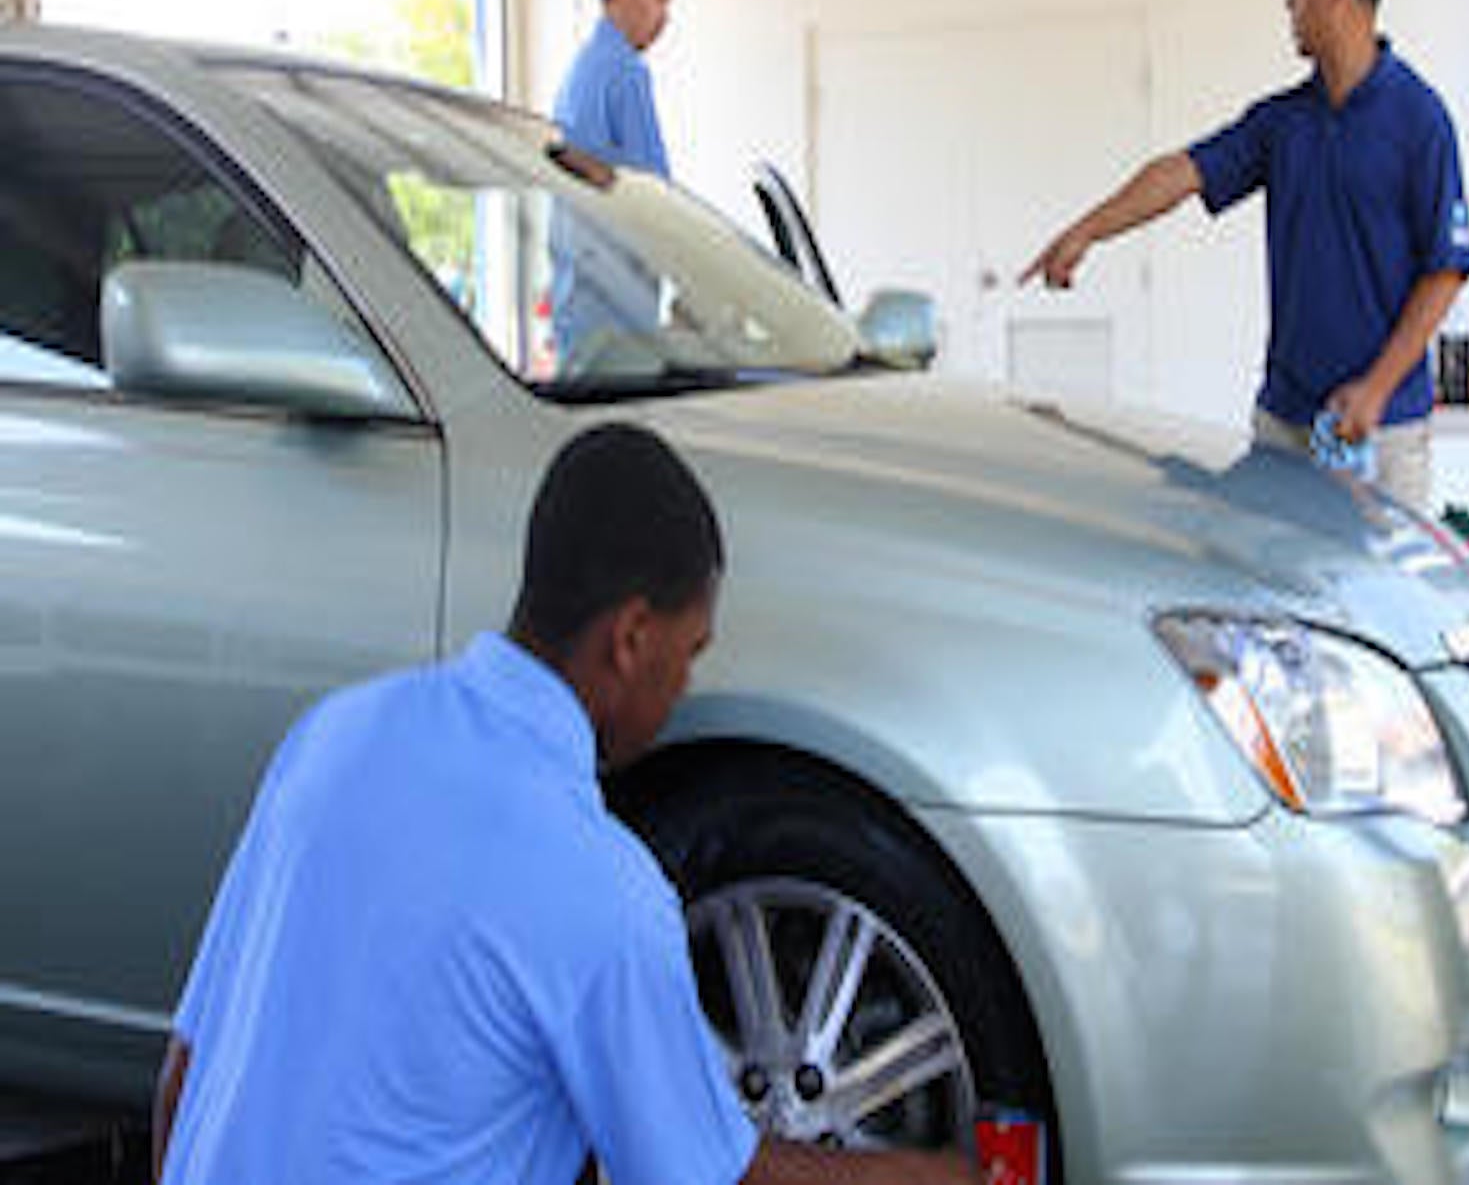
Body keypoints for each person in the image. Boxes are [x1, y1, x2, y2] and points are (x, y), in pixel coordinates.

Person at [152, 424, 977, 1185]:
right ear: (631, 638)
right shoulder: (598, 889)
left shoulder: (334, 737)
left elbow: (183, 1078)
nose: (687, 686)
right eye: (689, 653)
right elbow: (707, 1177)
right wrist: (928, 1177)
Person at [1020, 0, 1469, 513]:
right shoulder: (1283, 123)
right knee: (1267, 601)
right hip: (1284, 426)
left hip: (1382, 431)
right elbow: (1180, 173)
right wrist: (1086, 231)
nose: (1289, 1)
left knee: (1379, 605)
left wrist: (1375, 390)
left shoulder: (1421, 121)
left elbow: (1446, 271)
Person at [550, 0, 683, 371]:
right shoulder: (625, 72)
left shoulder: (580, 72)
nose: (665, 15)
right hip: (620, 340)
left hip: (580, 331)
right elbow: (655, 203)